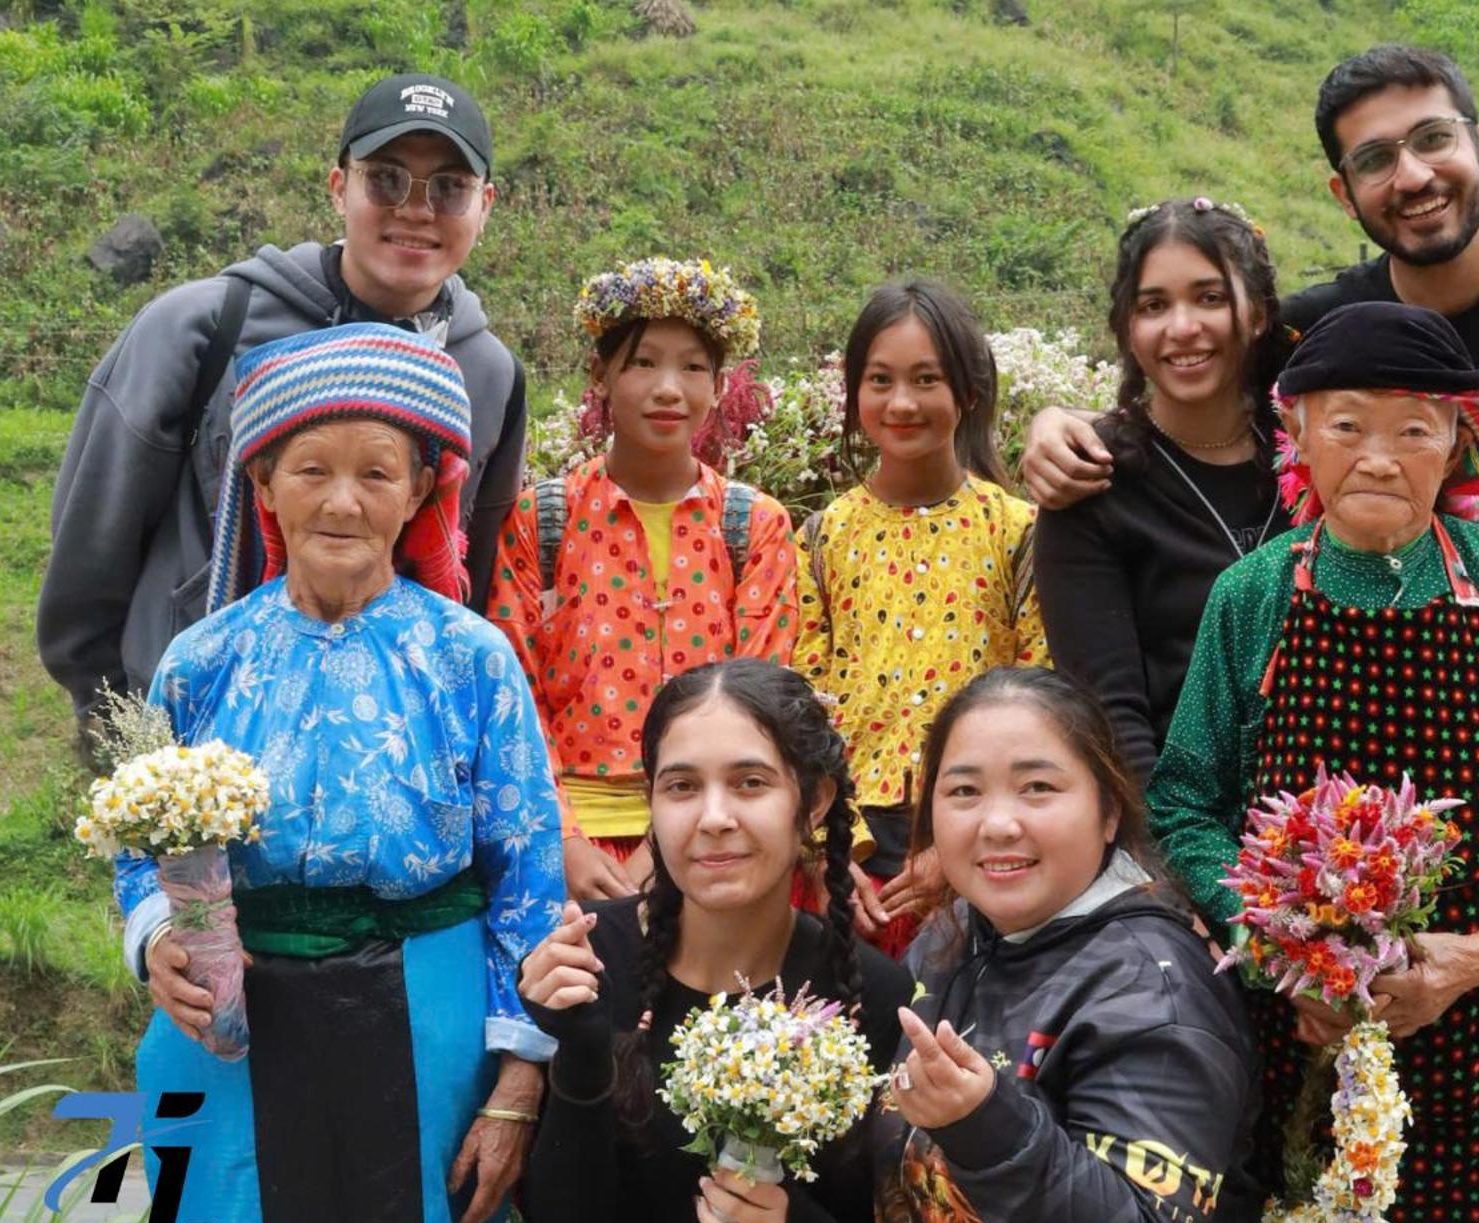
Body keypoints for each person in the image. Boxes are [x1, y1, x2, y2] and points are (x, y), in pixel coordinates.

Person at [1149, 303, 1479, 1223]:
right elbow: (1187, 802)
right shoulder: (1252, 598)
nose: (1376, 455)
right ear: (1296, 437)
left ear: (1461, 440)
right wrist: (1276, 954)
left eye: (1412, 428)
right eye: (1345, 424)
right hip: (1307, 1043)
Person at [119, 324, 566, 1223]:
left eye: (376, 472)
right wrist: (156, 936)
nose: (342, 500)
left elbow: (529, 877)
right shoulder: (201, 661)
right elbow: (135, 845)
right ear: (266, 480)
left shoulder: (471, 658)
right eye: (311, 469)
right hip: (237, 1026)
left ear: (419, 492)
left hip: (428, 1010)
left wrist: (517, 1081)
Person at [40, 72, 529, 740]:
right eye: (386, 178)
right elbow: (93, 540)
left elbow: (475, 576)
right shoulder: (206, 327)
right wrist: (119, 726)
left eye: (450, 187)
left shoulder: (487, 373)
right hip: (192, 736)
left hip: (385, 748)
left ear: (486, 204)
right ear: (338, 187)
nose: (417, 210)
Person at [1021, 44, 1479, 545]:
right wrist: (1061, 422)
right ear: (1344, 195)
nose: (1414, 176)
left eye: (1433, 138)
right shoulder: (1318, 328)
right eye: (1375, 160)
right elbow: (1199, 411)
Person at [873, 666, 1283, 1223]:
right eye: (964, 792)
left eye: (1038, 788)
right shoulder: (947, 941)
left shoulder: (1156, 984)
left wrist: (985, 1124)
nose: (998, 823)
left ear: (1109, 809)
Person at [513, 659, 910, 1223]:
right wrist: (579, 1054)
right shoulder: (588, 962)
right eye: (682, 787)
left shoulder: (863, 991)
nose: (714, 817)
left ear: (812, 802)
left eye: (750, 783)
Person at [487, 257, 800, 902]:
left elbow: (763, 700)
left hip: (714, 837)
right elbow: (513, 695)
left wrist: (670, 845)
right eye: (643, 363)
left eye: (692, 367)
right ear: (599, 375)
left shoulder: (754, 526)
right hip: (566, 849)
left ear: (719, 386)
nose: (668, 389)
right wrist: (562, 837)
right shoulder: (544, 519)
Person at [795, 279, 1046, 953]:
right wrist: (820, 848)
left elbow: (1044, 696)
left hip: (985, 839)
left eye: (925, 379)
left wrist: (956, 855)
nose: (901, 402)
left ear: (966, 393)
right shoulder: (823, 536)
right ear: (855, 394)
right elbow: (798, 698)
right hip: (850, 851)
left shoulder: (1016, 531)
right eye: (880, 380)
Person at [1032, 198, 1286, 780]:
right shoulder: (1092, 480)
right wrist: (1182, 853)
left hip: (1341, 814)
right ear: (1127, 325)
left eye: (1210, 297)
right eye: (1154, 305)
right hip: (1180, 819)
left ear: (1257, 313)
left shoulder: (1317, 449)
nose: (1182, 327)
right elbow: (1111, 720)